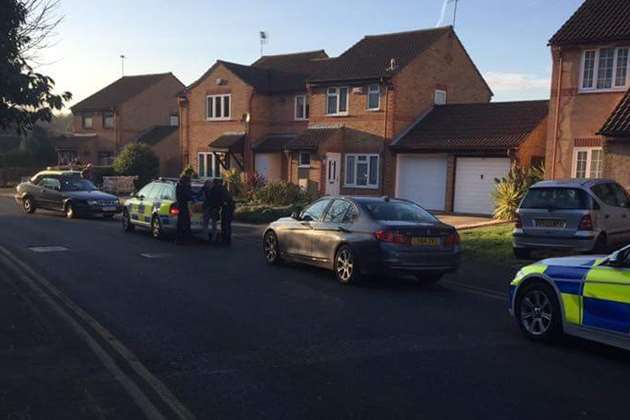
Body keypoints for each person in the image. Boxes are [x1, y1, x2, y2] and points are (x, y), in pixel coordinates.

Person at [175, 174, 194, 245]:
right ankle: (184, 240)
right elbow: (188, 197)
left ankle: (180, 239)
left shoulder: (179, 186)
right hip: (184, 207)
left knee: (181, 224)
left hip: (181, 207)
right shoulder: (184, 187)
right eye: (189, 181)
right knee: (185, 224)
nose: (190, 182)